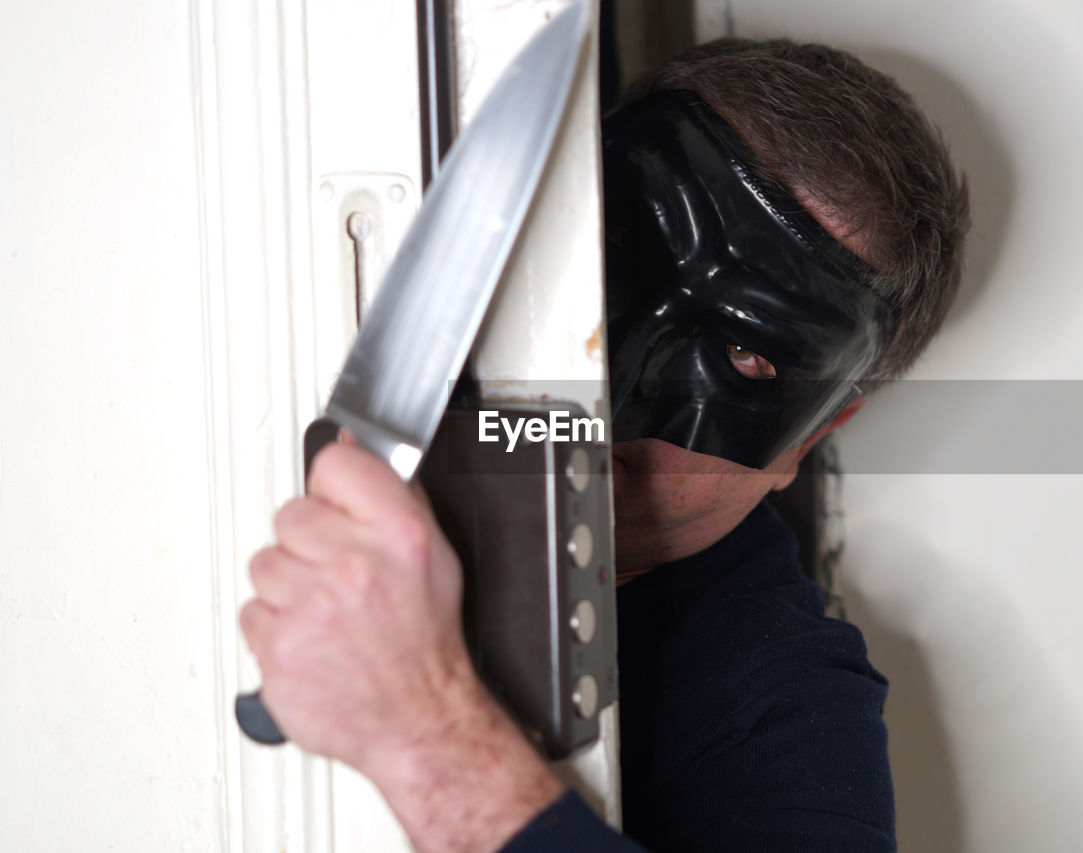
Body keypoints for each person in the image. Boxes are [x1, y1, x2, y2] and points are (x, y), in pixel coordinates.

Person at [239, 39, 968, 852]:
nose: (618, 388)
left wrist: (428, 736)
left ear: (811, 439)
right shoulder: (288, 364)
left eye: (744, 357)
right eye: (620, 257)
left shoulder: (788, 713)